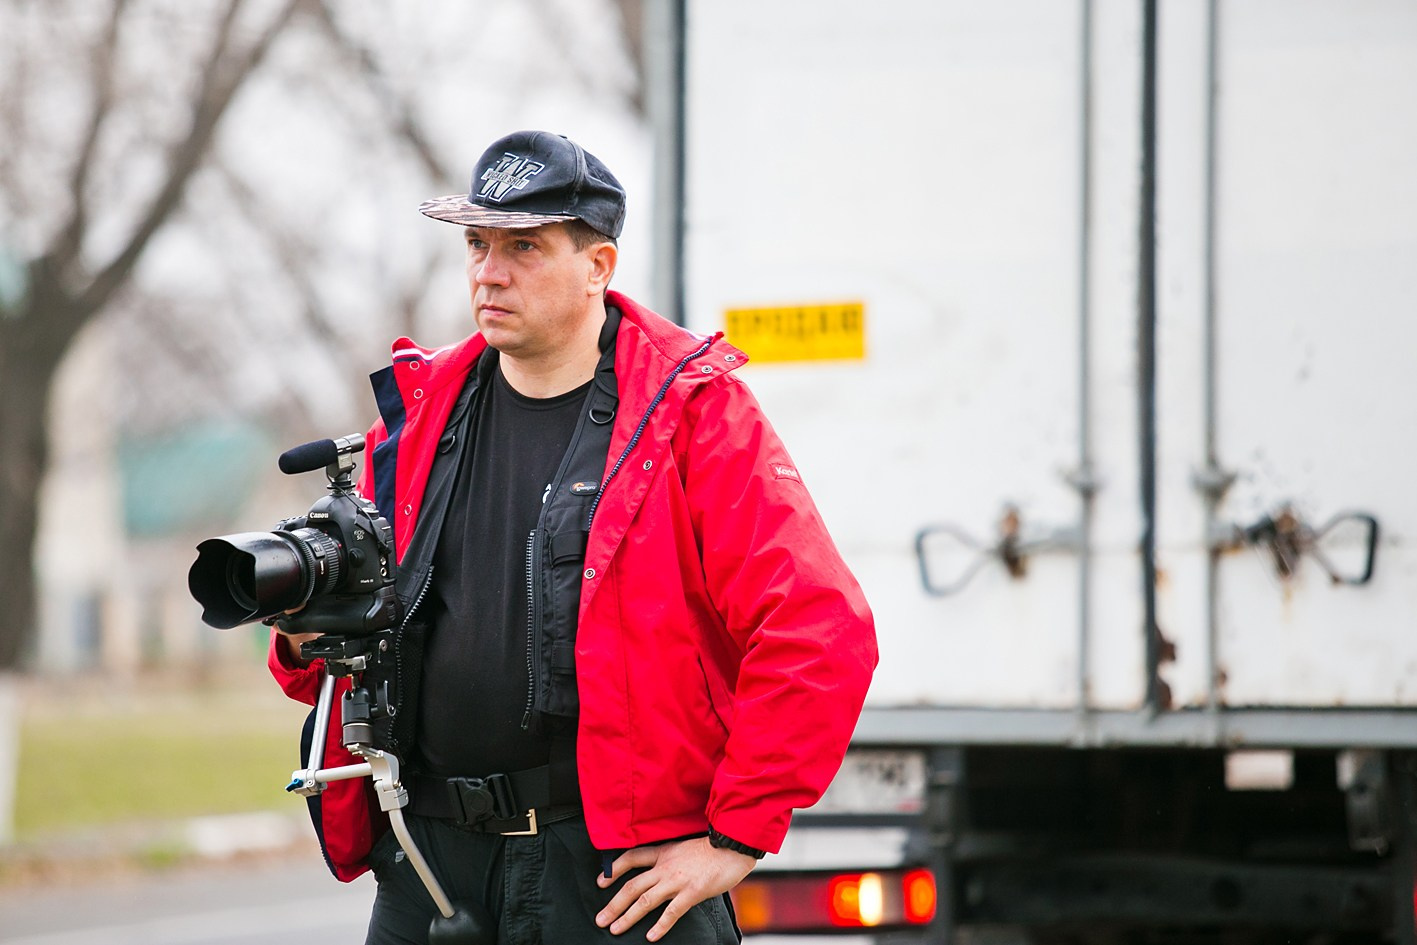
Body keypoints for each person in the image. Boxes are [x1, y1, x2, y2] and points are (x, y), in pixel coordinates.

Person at [268, 130, 877, 945]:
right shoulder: (419, 413)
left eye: (524, 246)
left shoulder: (692, 411)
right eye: (477, 244)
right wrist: (302, 633)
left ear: (598, 266)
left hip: (614, 875)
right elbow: (342, 647)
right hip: (430, 861)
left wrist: (734, 836)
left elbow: (818, 627)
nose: (488, 271)